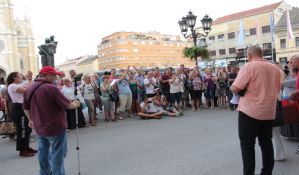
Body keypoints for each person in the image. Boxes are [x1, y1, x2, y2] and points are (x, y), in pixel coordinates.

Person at [230, 45, 281, 175]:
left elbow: (235, 88)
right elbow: (277, 89)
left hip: (250, 111)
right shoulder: (275, 68)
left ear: (249, 55)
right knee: (266, 144)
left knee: (247, 146)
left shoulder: (249, 66)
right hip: (268, 112)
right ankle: (267, 172)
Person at [23, 66, 80, 175]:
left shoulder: (30, 87)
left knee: (43, 152)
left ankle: (45, 172)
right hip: (55, 126)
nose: (56, 78)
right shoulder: (51, 88)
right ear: (48, 75)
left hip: (39, 126)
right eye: (54, 75)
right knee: (58, 153)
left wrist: (30, 119)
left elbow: (25, 107)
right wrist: (76, 104)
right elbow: (68, 105)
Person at [7, 72, 36, 157]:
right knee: (22, 130)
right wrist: (29, 79)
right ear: (14, 78)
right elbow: (28, 90)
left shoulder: (18, 84)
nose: (21, 77)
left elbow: (30, 86)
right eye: (19, 76)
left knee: (27, 129)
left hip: (22, 107)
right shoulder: (12, 86)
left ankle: (26, 147)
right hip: (18, 108)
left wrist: (29, 80)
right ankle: (22, 150)